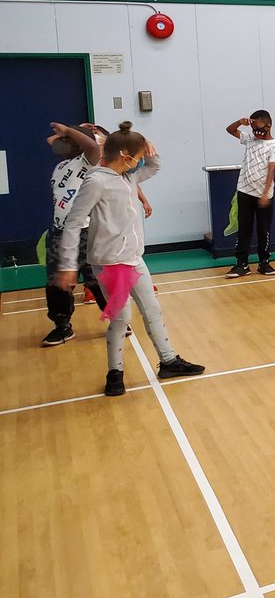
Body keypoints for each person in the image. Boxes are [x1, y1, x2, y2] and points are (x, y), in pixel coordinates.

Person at [54, 122, 204, 396]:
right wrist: (67, 264)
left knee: (152, 309)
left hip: (134, 258)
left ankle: (168, 360)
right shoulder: (96, 181)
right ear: (125, 156)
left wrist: (149, 147)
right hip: (110, 262)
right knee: (121, 318)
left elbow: (154, 167)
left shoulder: (128, 178)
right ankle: (115, 373)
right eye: (136, 156)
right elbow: (74, 223)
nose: (139, 161)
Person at [42, 123, 110, 346]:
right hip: (58, 232)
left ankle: (116, 318)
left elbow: (91, 146)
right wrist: (71, 131)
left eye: (68, 141)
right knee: (56, 282)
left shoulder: (88, 162)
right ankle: (62, 326)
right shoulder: (62, 166)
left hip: (85, 230)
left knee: (96, 279)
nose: (60, 143)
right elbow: (51, 142)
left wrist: (72, 131)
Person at [225, 111, 275, 278]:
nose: (254, 130)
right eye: (252, 125)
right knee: (244, 229)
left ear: (268, 125)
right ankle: (241, 264)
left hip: (264, 195)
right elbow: (229, 130)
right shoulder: (250, 139)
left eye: (257, 126)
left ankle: (264, 262)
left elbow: (271, 170)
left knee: (263, 230)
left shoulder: (274, 146)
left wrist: (265, 194)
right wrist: (239, 122)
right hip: (244, 191)